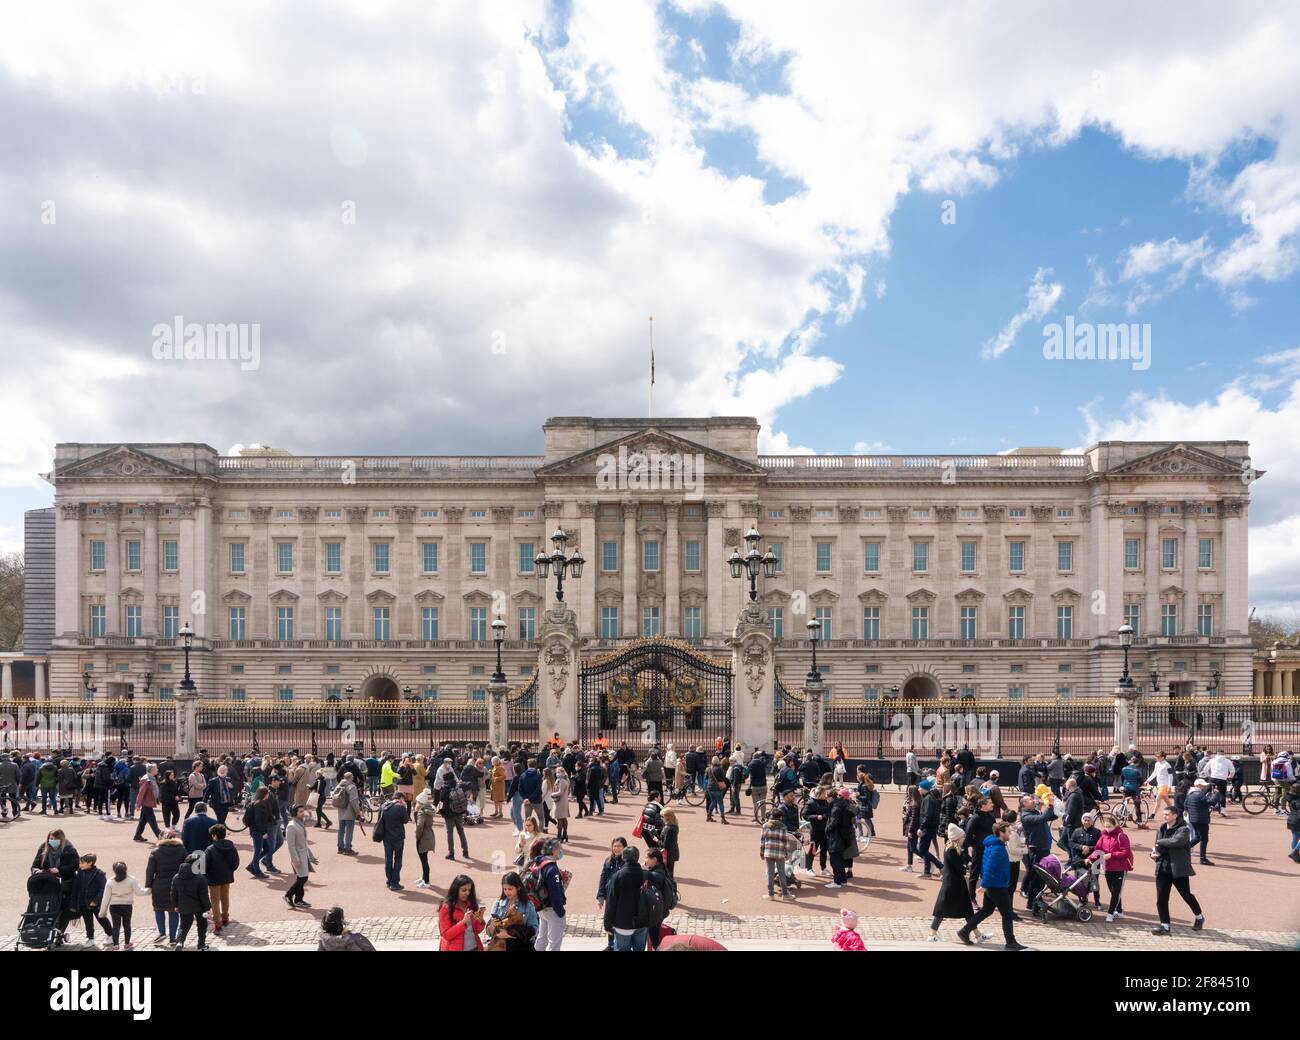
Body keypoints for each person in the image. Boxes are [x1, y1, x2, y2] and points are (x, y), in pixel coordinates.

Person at [959, 820, 1025, 950]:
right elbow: (989, 868)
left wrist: (986, 884)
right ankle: (1011, 942)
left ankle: (965, 931)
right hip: (997, 886)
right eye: (1008, 831)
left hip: (993, 884)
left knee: (987, 910)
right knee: (1007, 914)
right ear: (1001, 833)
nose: (1010, 834)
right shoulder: (998, 849)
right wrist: (984, 885)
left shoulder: (993, 844)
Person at [1150, 806, 1205, 934]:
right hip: (1163, 868)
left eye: (1167, 814)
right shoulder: (1161, 828)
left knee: (1186, 896)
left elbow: (1176, 842)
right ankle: (1165, 926)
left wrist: (1160, 842)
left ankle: (1199, 917)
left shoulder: (1184, 829)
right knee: (1161, 899)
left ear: (1175, 816)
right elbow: (1158, 847)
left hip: (1178, 870)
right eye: (1164, 814)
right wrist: (1154, 854)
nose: (1164, 816)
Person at [930, 823, 982, 942]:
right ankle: (932, 934)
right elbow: (959, 869)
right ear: (957, 838)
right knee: (946, 910)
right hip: (954, 884)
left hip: (954, 883)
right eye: (962, 837)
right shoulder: (952, 850)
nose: (964, 838)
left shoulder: (951, 848)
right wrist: (966, 867)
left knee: (964, 910)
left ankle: (978, 935)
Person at [144, 828, 186, 945]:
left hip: (159, 885)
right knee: (174, 911)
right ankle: (173, 939)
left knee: (158, 909)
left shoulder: (155, 852)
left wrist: (148, 885)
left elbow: (150, 871)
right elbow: (187, 866)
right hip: (176, 885)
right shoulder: (181, 850)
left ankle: (162, 932)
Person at [603, 845, 648, 951]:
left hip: (623, 922)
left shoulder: (618, 876)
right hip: (642, 920)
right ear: (637, 857)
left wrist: (607, 924)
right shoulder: (646, 875)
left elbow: (611, 902)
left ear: (623, 858)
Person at [529, 837, 568, 951]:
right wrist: (561, 912)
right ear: (554, 850)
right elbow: (555, 893)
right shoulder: (552, 868)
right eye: (560, 849)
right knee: (554, 944)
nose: (561, 851)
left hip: (541, 907)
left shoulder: (540, 863)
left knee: (542, 939)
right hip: (552, 909)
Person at [485, 872, 538, 951]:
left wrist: (509, 934)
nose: (507, 892)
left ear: (518, 888)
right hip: (500, 947)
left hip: (521, 947)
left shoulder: (528, 905)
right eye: (505, 889)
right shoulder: (497, 905)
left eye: (510, 889)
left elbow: (534, 930)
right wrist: (492, 926)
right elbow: (489, 933)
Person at [171, 850, 211, 951]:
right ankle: (201, 945)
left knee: (184, 925)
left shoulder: (176, 877)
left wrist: (175, 905)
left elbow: (173, 893)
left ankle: (180, 941)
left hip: (184, 906)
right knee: (202, 925)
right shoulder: (200, 878)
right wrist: (207, 908)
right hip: (200, 907)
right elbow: (204, 896)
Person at [103, 861, 149, 950]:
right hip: (127, 905)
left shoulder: (110, 881)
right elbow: (139, 892)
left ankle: (116, 945)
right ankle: (127, 943)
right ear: (126, 869)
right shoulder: (131, 879)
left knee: (116, 925)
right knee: (127, 924)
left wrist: (102, 912)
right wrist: (149, 890)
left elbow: (106, 898)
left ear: (114, 870)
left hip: (114, 906)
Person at [68, 853, 111, 946]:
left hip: (96, 904)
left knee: (102, 919)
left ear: (90, 863)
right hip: (83, 903)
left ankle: (110, 934)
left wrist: (96, 901)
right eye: (80, 863)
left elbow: (103, 889)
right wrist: (73, 904)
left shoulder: (99, 873)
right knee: (88, 922)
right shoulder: (79, 873)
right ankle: (90, 938)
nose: (80, 865)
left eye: (82, 863)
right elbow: (75, 889)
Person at [205, 823, 239, 934]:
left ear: (215, 836)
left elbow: (205, 866)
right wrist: (230, 871)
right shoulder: (231, 847)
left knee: (215, 901)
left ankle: (217, 924)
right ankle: (225, 917)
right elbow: (236, 863)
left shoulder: (210, 849)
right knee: (225, 897)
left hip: (214, 878)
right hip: (226, 877)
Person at [374, 789, 410, 891]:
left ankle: (389, 880)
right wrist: (404, 807)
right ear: (401, 798)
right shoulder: (400, 807)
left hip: (386, 837)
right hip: (398, 837)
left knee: (388, 859)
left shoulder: (384, 806)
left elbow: (379, 820)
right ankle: (394, 882)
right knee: (398, 859)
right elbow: (406, 820)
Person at [438, 874, 485, 951]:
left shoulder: (471, 905)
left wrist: (480, 921)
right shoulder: (446, 908)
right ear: (456, 889)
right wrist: (463, 923)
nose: (467, 893)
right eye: (464, 890)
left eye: (469, 890)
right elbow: (446, 935)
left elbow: (477, 930)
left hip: (474, 947)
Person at [760, 811, 800, 900]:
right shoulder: (783, 827)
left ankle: (770, 894)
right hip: (780, 852)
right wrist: (787, 854)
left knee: (770, 873)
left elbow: (762, 841)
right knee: (782, 873)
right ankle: (785, 894)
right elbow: (785, 842)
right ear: (780, 817)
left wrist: (762, 853)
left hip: (768, 852)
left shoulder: (765, 826)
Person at [284, 804, 316, 909]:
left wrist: (310, 855)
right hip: (298, 856)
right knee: (303, 877)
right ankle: (288, 895)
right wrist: (295, 858)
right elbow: (291, 845)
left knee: (301, 878)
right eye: (300, 811)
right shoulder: (291, 826)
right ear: (294, 813)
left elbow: (304, 843)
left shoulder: (300, 823)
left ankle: (298, 900)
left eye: (303, 811)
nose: (303, 813)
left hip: (303, 855)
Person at [824, 788, 857, 889]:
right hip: (843, 836)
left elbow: (833, 823)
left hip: (835, 837)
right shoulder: (843, 805)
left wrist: (827, 829)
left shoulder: (836, 807)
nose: (826, 799)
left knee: (835, 860)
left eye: (827, 797)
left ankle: (837, 881)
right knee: (840, 860)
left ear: (831, 797)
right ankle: (843, 880)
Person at [1185, 779, 1220, 865]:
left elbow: (1185, 805)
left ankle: (1184, 849)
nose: (1205, 787)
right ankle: (1202, 859)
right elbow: (1211, 802)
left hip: (1193, 819)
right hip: (1201, 820)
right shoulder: (1199, 794)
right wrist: (1217, 794)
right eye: (1203, 785)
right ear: (1198, 786)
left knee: (1198, 837)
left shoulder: (1190, 794)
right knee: (1204, 839)